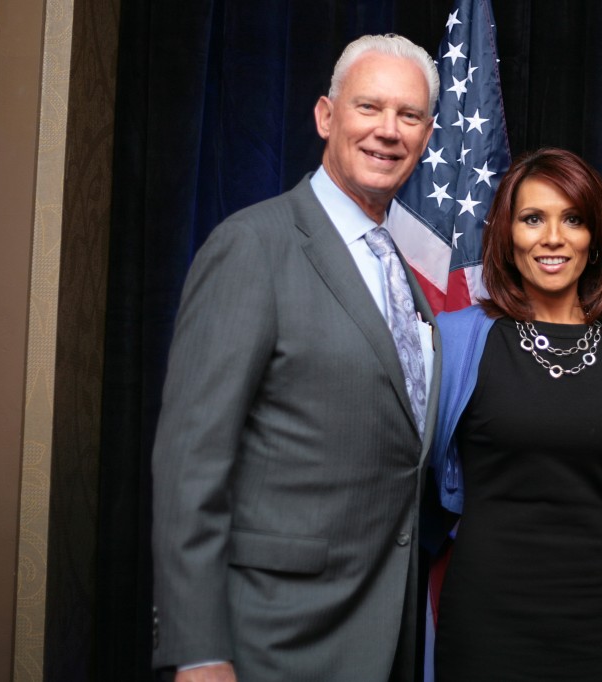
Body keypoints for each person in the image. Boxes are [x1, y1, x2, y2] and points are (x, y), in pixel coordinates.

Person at [151, 34, 441, 682]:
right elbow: (190, 462)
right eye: (369, 107)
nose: (388, 131)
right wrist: (198, 651)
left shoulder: (401, 273)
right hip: (271, 639)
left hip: (382, 634)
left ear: (426, 135)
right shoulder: (253, 246)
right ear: (325, 116)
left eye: (409, 115)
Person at [428, 147, 602, 681]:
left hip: (599, 618)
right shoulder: (458, 339)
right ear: (508, 236)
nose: (552, 237)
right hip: (486, 616)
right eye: (533, 219)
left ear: (595, 238)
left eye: (572, 219)